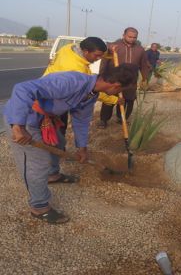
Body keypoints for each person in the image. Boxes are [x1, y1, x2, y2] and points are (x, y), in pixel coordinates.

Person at [3, 64, 137, 224]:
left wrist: (82, 148)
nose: (118, 95)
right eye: (121, 91)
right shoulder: (71, 81)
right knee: (37, 163)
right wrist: (18, 125)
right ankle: (39, 207)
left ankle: (52, 175)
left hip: (46, 119)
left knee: (59, 143)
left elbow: (81, 121)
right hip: (25, 120)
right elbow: (22, 89)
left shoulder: (91, 94)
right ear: (116, 85)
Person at [43, 37, 109, 135]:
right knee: (55, 131)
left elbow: (100, 53)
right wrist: (113, 100)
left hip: (50, 89)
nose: (99, 59)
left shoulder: (69, 48)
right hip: (53, 100)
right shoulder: (77, 70)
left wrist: (111, 50)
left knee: (59, 128)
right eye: (97, 56)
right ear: (86, 52)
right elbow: (90, 90)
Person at [98, 27, 150, 128]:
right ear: (124, 35)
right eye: (129, 37)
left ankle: (122, 118)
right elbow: (104, 62)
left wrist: (145, 79)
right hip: (113, 79)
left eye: (134, 37)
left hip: (131, 81)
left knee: (128, 100)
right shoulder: (113, 46)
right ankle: (104, 120)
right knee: (109, 100)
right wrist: (102, 75)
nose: (132, 39)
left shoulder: (140, 50)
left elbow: (144, 65)